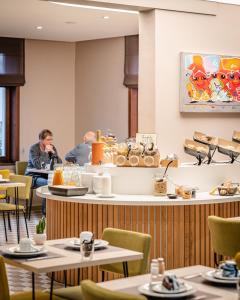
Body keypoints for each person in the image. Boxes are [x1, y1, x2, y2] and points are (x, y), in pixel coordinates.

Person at [25, 129, 62, 216]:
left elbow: (59, 164)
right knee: (48, 184)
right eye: (48, 140)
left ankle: (54, 211)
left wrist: (53, 153)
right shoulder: (33, 149)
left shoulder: (52, 147)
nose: (50, 142)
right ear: (41, 140)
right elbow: (37, 165)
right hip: (32, 176)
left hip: (45, 175)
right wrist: (45, 152)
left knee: (58, 183)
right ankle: (46, 214)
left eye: (51, 139)